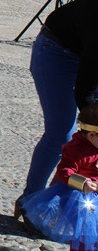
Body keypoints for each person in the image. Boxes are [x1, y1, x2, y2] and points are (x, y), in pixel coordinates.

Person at [15, 0, 98, 223]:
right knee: (63, 133)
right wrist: (92, 132)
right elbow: (85, 90)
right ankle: (30, 204)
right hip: (56, 51)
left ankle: (57, 206)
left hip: (87, 52)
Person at [20, 103, 98, 251]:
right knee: (86, 229)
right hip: (80, 198)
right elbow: (64, 170)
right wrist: (83, 183)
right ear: (92, 135)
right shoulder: (77, 150)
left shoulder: (96, 144)